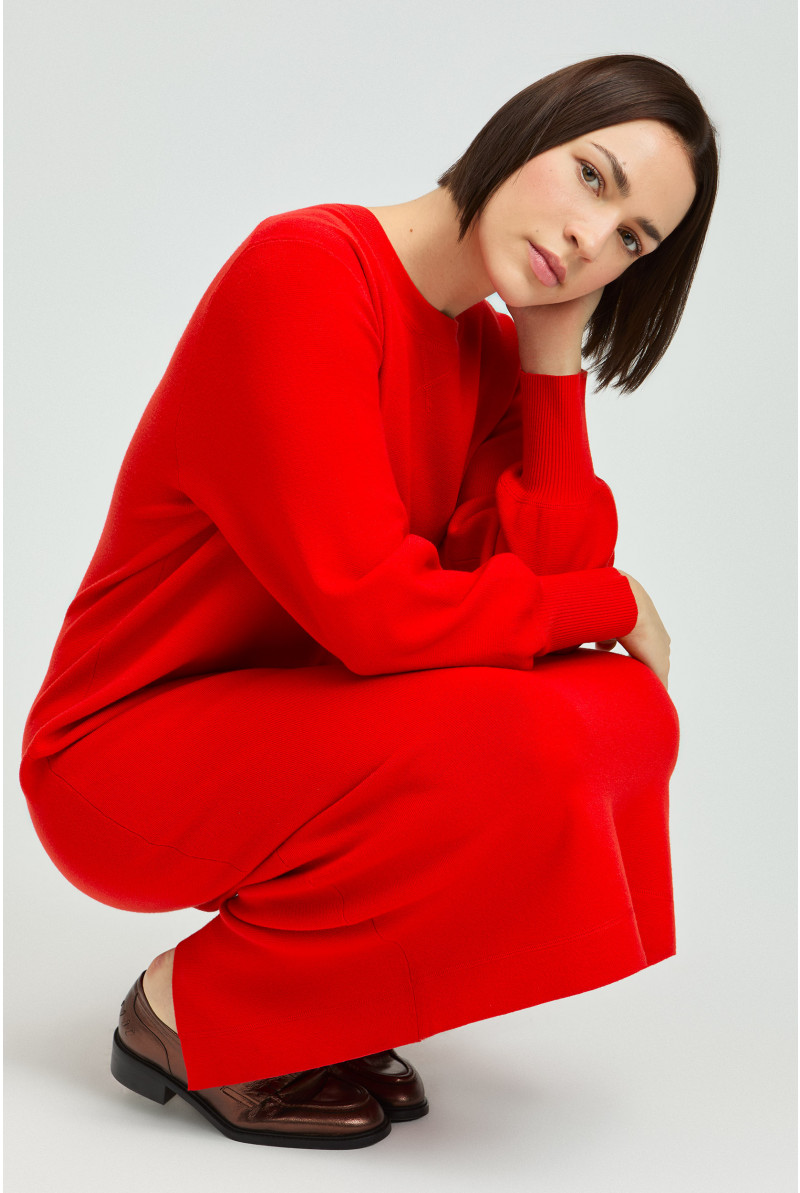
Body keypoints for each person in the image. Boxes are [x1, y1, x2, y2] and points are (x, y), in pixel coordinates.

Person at [18, 52, 719, 1150]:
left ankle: (318, 1005)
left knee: (622, 713)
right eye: (592, 176)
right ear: (527, 130)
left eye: (632, 240)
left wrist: (549, 362)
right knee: (517, 731)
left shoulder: (490, 352)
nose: (592, 238)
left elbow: (544, 605)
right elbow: (374, 611)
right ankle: (189, 1011)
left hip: (310, 733)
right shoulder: (307, 270)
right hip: (123, 756)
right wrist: (612, 597)